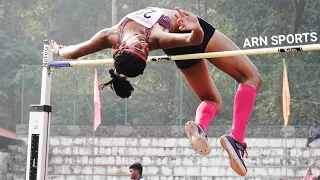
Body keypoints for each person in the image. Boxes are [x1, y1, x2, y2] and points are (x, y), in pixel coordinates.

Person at [50, 7, 262, 176]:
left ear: (121, 46)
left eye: (141, 48)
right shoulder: (156, 37)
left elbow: (75, 52)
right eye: (145, 51)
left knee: (210, 100)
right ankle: (237, 139)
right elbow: (192, 40)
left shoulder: (108, 35)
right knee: (251, 78)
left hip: (181, 41)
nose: (145, 46)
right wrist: (195, 28)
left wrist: (58, 49)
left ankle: (199, 128)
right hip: (188, 31)